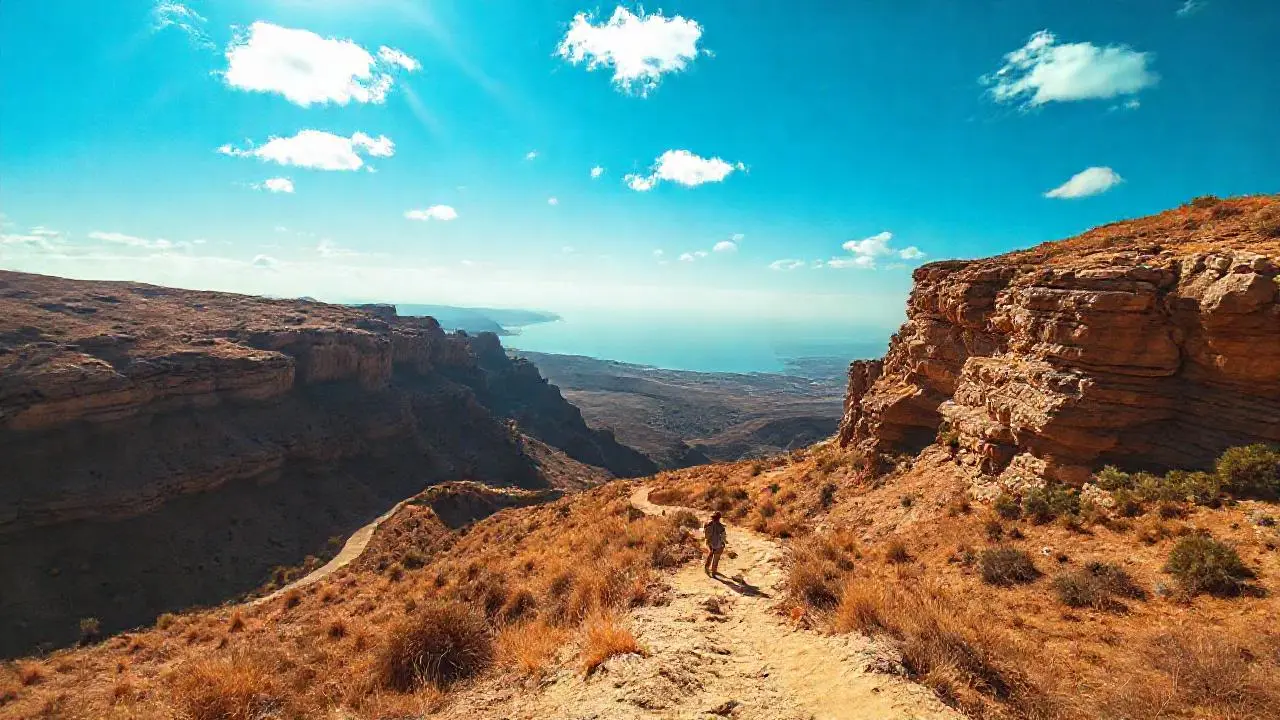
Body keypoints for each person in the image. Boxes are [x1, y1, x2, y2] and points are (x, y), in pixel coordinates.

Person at [703, 512, 727, 576]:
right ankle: (714, 572)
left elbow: (705, 535)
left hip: (710, 543)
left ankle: (706, 568)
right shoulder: (721, 527)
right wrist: (724, 542)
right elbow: (723, 537)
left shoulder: (707, 524)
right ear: (719, 518)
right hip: (718, 544)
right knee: (716, 558)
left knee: (710, 555)